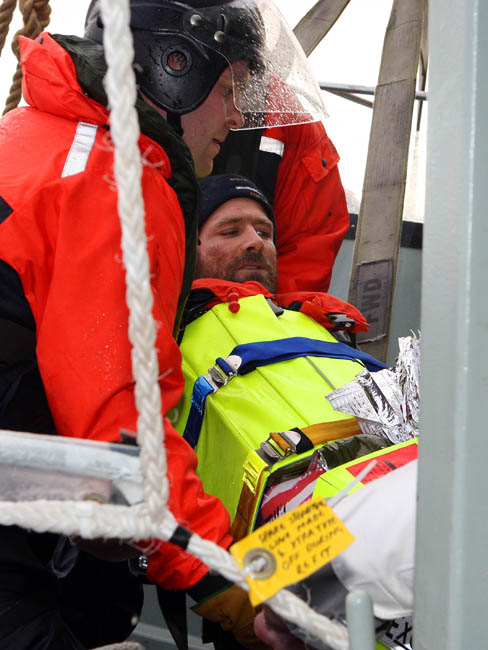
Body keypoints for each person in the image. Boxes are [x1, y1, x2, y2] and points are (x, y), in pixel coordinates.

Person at [0, 1, 329, 648]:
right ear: (172, 68)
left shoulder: (35, 135)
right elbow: (121, 429)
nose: (237, 117)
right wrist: (233, 582)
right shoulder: (110, 181)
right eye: (231, 89)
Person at [176, 173, 416, 650]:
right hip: (296, 538)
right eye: (231, 231)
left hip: (399, 492)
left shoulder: (320, 325)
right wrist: (229, 589)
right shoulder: (162, 333)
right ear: (187, 245)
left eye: (265, 233)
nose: (254, 243)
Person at [213, 120, 350, 294]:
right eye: (230, 232)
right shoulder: (175, 107)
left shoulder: (295, 123)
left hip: (260, 303)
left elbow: (308, 252)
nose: (254, 240)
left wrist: (269, 313)